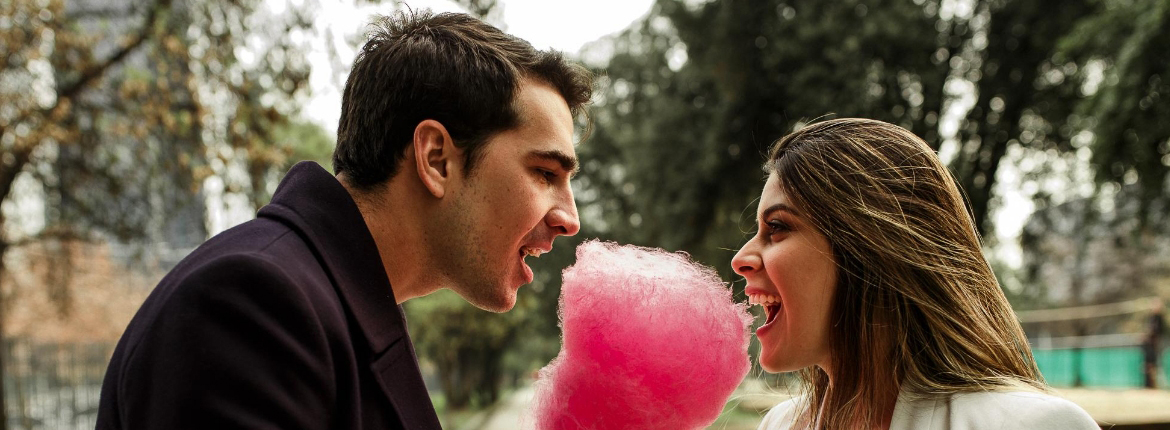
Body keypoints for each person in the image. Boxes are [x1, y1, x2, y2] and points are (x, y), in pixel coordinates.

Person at [96, 10, 592, 430]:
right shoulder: (251, 304)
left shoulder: (339, 307)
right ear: (437, 159)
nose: (570, 218)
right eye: (545, 172)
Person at [732, 118, 1098, 429]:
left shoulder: (1033, 425)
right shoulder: (780, 424)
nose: (741, 258)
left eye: (777, 227)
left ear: (869, 244)